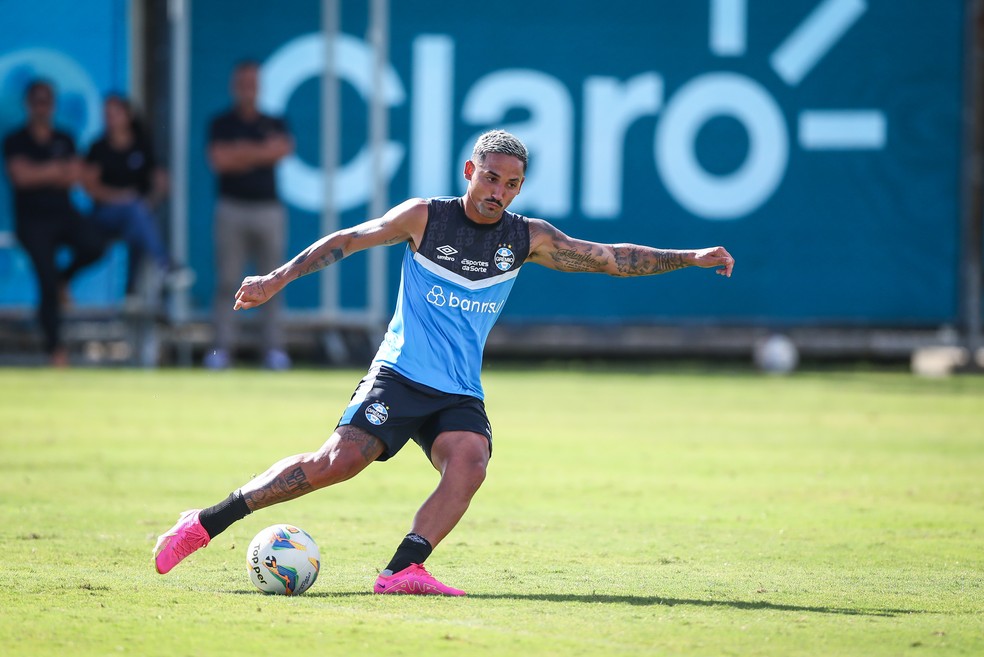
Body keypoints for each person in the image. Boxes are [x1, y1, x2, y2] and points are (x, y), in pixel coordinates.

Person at [154, 130, 735, 595]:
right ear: (469, 172)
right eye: (489, 177)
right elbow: (350, 239)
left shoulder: (527, 237)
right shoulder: (425, 218)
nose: (498, 191)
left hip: (457, 389)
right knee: (336, 463)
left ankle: (402, 570)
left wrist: (690, 257)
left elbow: (611, 259)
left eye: (511, 184)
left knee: (471, 461)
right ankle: (204, 524)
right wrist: (277, 278)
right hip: (401, 373)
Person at [2, 80, 107, 367]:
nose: (42, 106)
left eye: (46, 100)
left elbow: (75, 175)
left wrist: (44, 172)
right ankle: (55, 350)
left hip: (64, 213)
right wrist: (55, 170)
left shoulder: (65, 137)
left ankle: (65, 278)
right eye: (37, 101)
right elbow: (21, 178)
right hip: (33, 220)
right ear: (28, 104)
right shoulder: (16, 139)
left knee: (95, 244)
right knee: (46, 282)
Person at [204, 61, 294, 371]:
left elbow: (281, 150)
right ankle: (221, 349)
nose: (247, 88)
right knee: (227, 280)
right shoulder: (222, 123)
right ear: (234, 85)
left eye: (252, 82)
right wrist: (258, 152)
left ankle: (272, 349)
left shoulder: (274, 121)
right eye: (242, 82)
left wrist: (240, 152)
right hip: (231, 207)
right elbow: (219, 160)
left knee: (274, 279)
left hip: (268, 209)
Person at [82, 94, 191, 302]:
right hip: (105, 216)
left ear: (128, 115)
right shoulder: (98, 147)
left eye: (115, 113)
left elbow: (159, 182)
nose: (110, 119)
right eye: (107, 114)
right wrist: (121, 198)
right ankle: (165, 265)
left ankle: (131, 291)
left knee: (138, 225)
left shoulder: (142, 145)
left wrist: (150, 199)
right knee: (136, 211)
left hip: (135, 217)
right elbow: (91, 188)